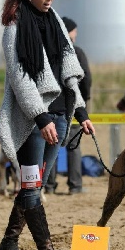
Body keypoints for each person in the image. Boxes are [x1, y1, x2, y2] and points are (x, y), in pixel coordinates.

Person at [0, 0, 95, 250]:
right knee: (31, 185)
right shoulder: (14, 27)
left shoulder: (55, 21)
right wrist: (41, 118)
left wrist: (80, 112)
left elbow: (69, 71)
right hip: (33, 122)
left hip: (61, 115)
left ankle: (9, 242)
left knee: (32, 186)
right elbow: (21, 79)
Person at [45, 17, 92, 195]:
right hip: (72, 105)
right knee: (73, 146)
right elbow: (86, 77)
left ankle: (49, 186)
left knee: (52, 144)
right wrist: (84, 101)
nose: (76, 34)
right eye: (75, 31)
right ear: (69, 31)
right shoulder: (76, 52)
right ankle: (75, 185)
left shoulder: (49, 50)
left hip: (53, 105)